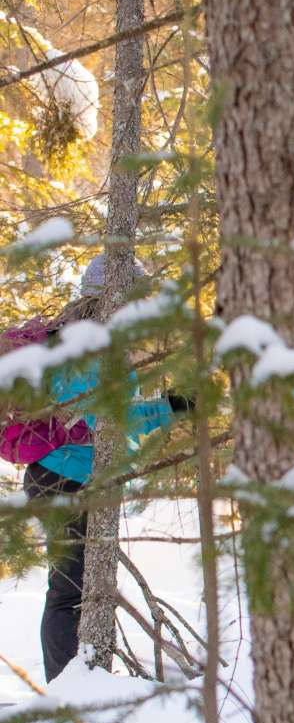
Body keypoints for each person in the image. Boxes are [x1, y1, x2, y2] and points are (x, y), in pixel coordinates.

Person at [12, 256, 176, 680]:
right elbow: (105, 418)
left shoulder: (94, 339)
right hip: (62, 478)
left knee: (79, 586)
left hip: (72, 476)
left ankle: (82, 682)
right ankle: (68, 689)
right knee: (70, 590)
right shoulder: (84, 345)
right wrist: (169, 407)